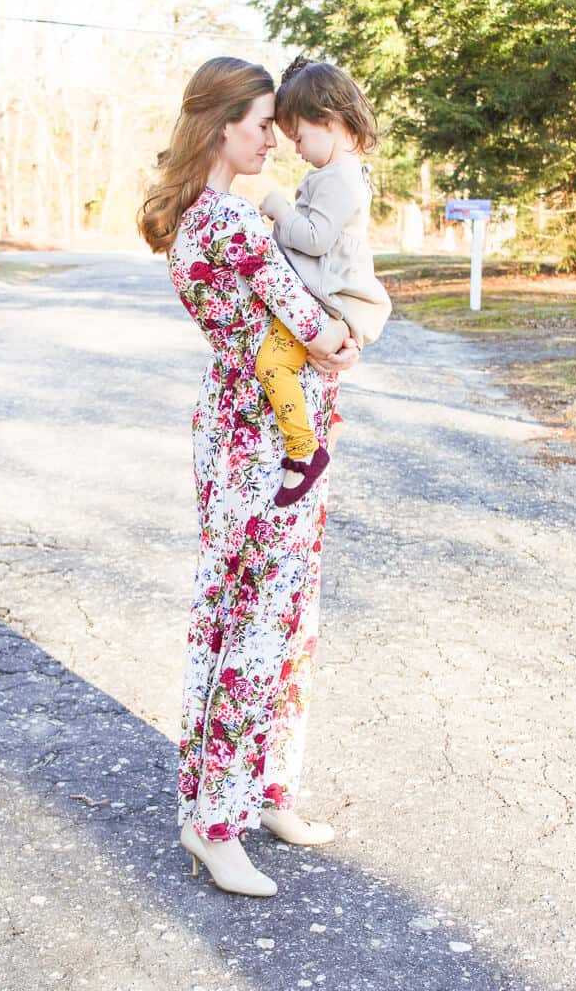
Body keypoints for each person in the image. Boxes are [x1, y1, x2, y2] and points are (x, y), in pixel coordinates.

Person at [138, 56, 359, 898]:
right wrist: (344, 339)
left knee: (283, 614)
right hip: (259, 440)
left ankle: (266, 791)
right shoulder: (227, 221)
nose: (275, 137)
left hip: (258, 426)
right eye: (263, 121)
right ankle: (213, 820)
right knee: (255, 619)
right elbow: (311, 325)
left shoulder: (208, 215)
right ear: (221, 124)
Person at [257, 57, 392, 507]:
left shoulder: (340, 177)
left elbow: (314, 240)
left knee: (273, 365)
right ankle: (325, 423)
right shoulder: (337, 172)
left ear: (330, 122)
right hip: (324, 294)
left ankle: (304, 451)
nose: (295, 149)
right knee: (297, 368)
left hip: (327, 296)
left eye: (299, 137)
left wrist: (279, 209)